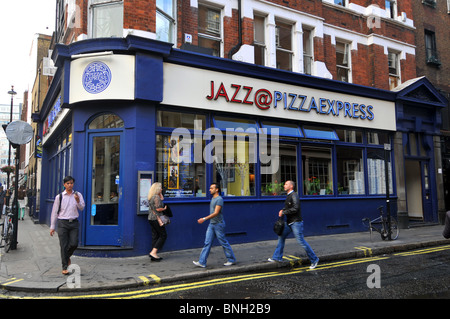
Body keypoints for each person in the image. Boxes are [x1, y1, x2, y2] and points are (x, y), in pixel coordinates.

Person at [268, 180, 319, 269]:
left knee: (301, 242)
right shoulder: (289, 196)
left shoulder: (294, 195)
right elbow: (290, 207)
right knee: (281, 237)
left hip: (296, 223)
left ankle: (314, 259)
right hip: (289, 222)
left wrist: (284, 212)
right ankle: (277, 257)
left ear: (291, 186)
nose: (284, 185)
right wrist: (283, 210)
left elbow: (295, 208)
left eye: (286, 184)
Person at [193, 183, 236, 268]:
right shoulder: (213, 198)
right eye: (210, 188)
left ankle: (231, 259)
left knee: (223, 242)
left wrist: (204, 219)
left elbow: (216, 213)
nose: (210, 189)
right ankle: (202, 262)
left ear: (217, 189)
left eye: (211, 188)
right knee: (207, 243)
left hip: (218, 225)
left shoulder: (219, 199)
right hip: (212, 224)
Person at [50, 176, 85, 275]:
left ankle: (67, 256)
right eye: (68, 183)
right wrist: (52, 227)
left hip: (74, 222)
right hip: (62, 223)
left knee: (74, 243)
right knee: (63, 245)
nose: (70, 185)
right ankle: (64, 266)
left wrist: (78, 201)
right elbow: (54, 212)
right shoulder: (59, 197)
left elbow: (82, 208)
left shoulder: (78, 195)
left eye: (71, 183)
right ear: (64, 184)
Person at [147, 182, 167, 261]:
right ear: (157, 189)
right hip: (156, 219)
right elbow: (158, 209)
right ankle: (153, 252)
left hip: (151, 218)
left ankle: (153, 254)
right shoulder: (156, 197)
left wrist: (160, 194)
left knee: (155, 235)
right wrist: (164, 209)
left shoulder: (151, 196)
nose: (161, 189)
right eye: (160, 188)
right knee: (163, 235)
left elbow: (160, 200)